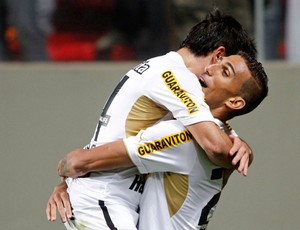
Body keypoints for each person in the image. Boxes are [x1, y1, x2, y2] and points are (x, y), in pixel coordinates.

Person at [46, 9, 257, 229]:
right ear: (218, 56)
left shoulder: (168, 72)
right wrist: (241, 152)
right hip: (103, 200)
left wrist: (243, 147)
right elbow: (216, 145)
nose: (215, 71)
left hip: (109, 200)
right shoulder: (178, 77)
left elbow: (217, 133)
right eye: (226, 66)